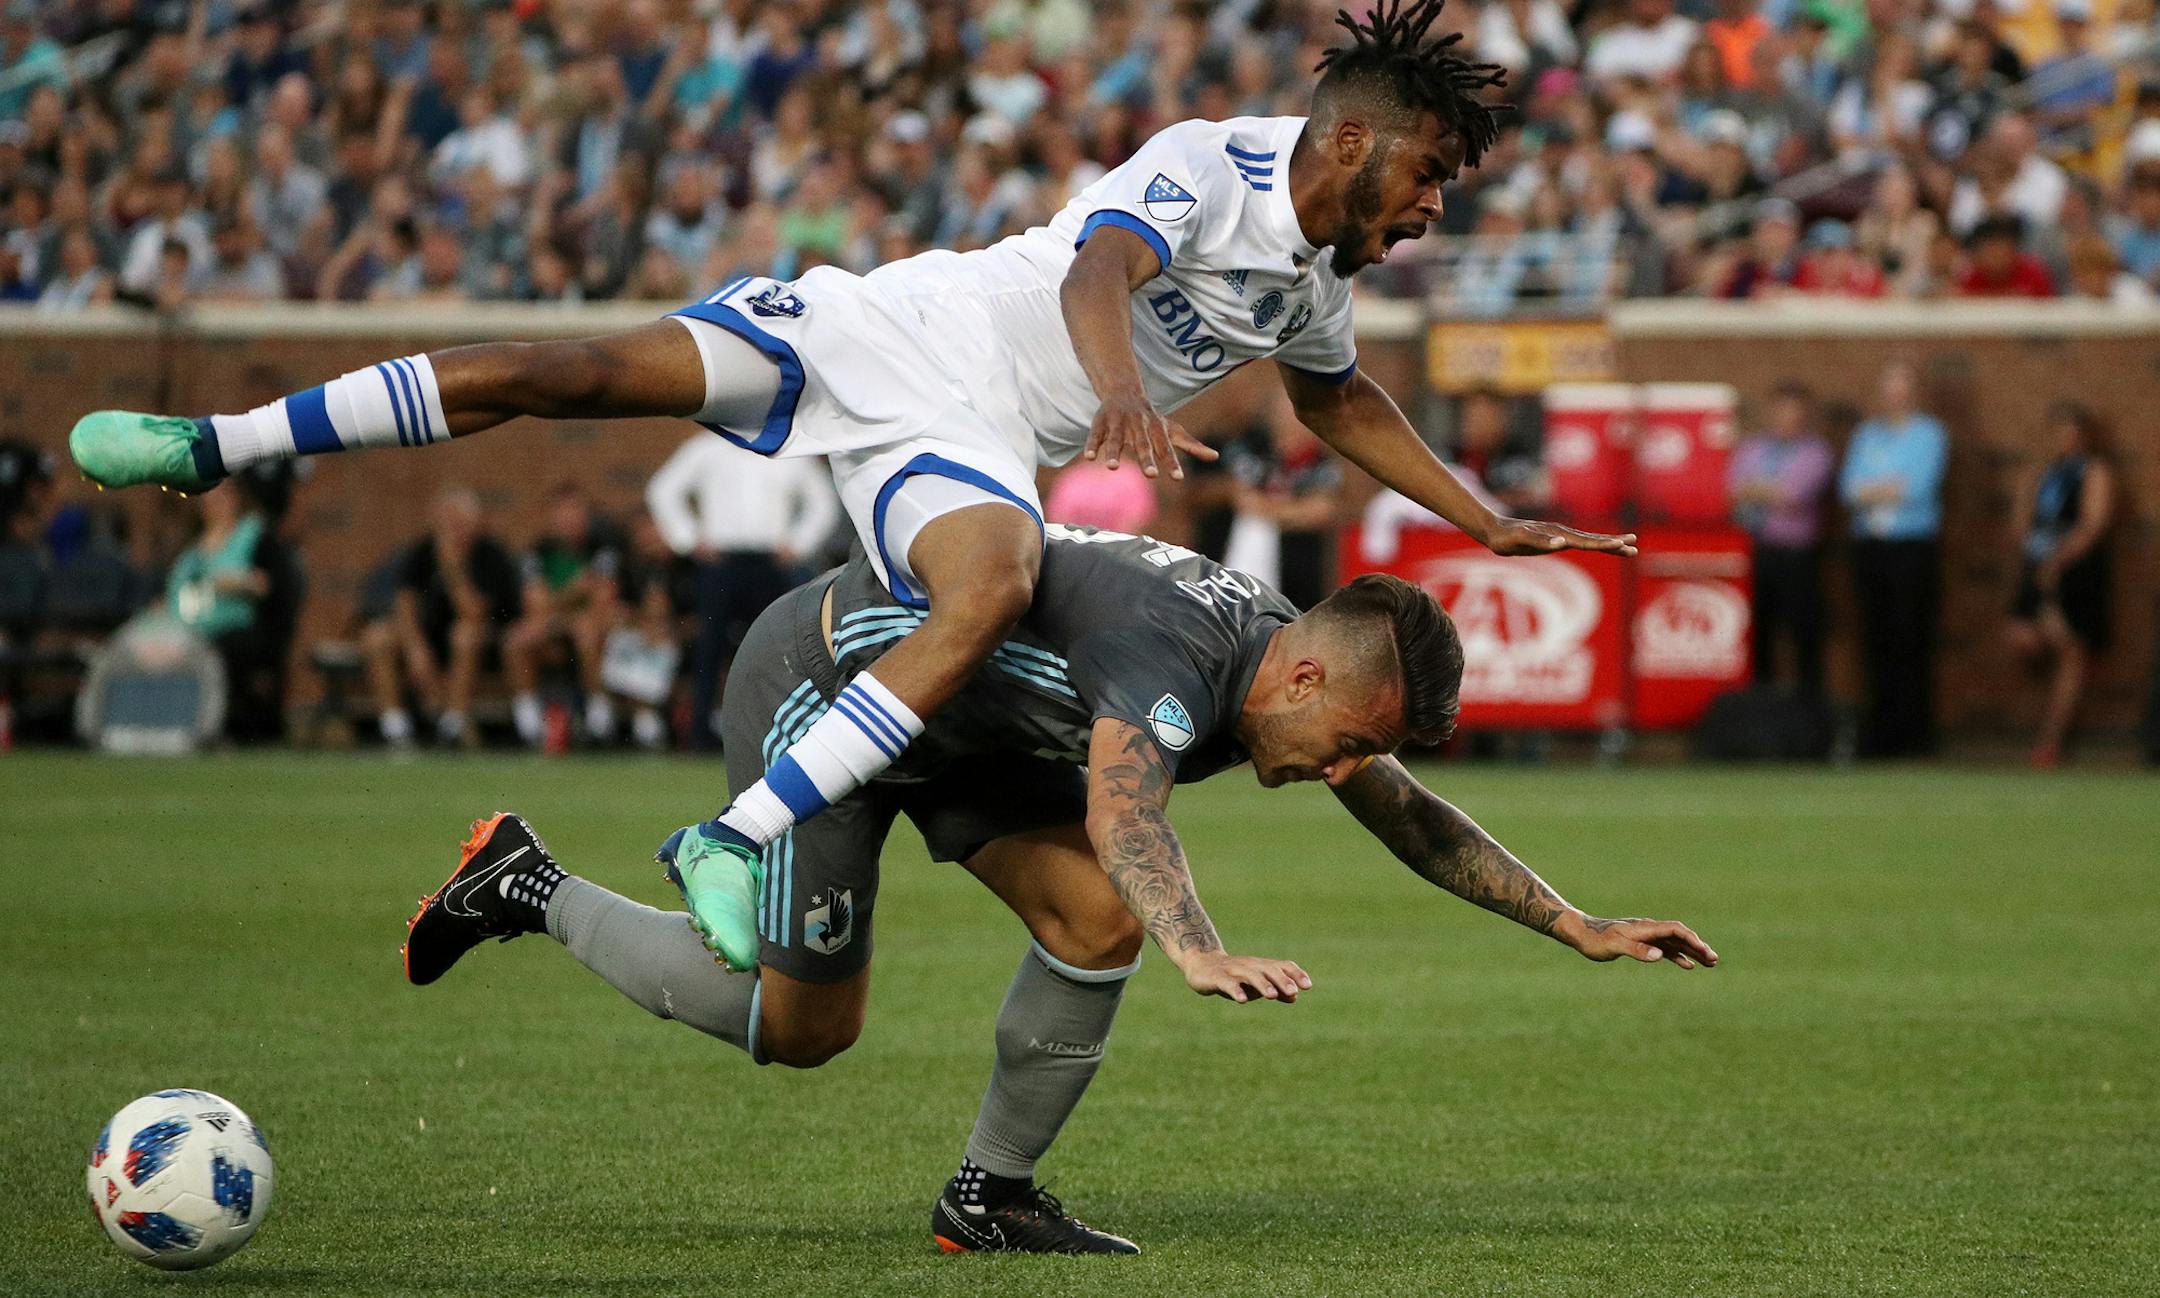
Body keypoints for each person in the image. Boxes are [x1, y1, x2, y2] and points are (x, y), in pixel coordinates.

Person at [74, 0, 1632, 974]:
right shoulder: (1216, 161)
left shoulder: (1311, 280)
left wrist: (1479, 513)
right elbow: (1107, 266)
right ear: (1356, 137)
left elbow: (1336, 392)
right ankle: (218, 441)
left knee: (988, 580)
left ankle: (734, 832)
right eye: (1429, 172)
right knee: (573, 371)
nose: (1433, 205)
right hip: (899, 325)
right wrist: (1111, 395)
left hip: (954, 423)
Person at [402, 525, 1717, 1254]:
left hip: (976, 734)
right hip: (837, 693)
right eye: (1355, 738)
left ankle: (989, 1196)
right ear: (1308, 680)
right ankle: (525, 880)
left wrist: (1576, 921)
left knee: (1093, 916)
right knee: (806, 1029)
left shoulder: (1285, 672)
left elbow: (1411, 818)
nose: (1349, 769)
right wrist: (1198, 947)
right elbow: (1121, 804)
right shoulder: (1181, 647)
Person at [645, 432, 839, 751]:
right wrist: (689, 539)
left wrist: (799, 544)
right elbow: (663, 491)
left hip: (770, 563)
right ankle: (699, 733)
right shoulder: (706, 448)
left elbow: (823, 500)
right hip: (721, 562)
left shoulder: (786, 449)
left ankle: (780, 729)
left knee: (775, 649)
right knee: (709, 648)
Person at [1839, 361, 1948, 758]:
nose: (1894, 395)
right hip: (1871, 546)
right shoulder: (1868, 435)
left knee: (1910, 638)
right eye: (1888, 386)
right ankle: (1880, 735)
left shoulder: (1929, 434)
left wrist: (1877, 489)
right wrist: (1884, 489)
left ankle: (1915, 734)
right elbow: (1850, 489)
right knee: (1875, 640)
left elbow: (1917, 487)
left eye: (1902, 387)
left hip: (1911, 547)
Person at [362, 487, 521, 750]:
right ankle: (395, 728)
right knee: (377, 637)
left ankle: (452, 725)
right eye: (446, 522)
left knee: (464, 634)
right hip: (430, 637)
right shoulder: (423, 551)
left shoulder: (489, 554)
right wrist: (415, 648)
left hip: (484, 644)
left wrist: (453, 570)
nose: (451, 530)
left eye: (458, 523)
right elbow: (405, 603)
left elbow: (474, 612)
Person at [2004, 404, 2115, 769]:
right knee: (2023, 636)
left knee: (2070, 649)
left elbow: (2092, 524)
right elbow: (2021, 523)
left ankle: (2051, 739)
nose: (2058, 437)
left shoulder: (2093, 471)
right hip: (2037, 565)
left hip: (2075, 570)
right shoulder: (2044, 473)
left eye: (2066, 429)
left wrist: (2058, 561)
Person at [503, 484, 630, 747]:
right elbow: (535, 607)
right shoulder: (537, 552)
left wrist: (558, 606)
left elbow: (603, 603)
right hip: (553, 628)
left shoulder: (603, 550)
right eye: (561, 513)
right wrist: (576, 590)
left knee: (587, 631)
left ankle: (599, 722)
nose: (568, 520)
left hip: (591, 630)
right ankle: (529, 725)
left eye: (575, 512)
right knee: (517, 640)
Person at [1728, 382, 1833, 697]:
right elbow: (1734, 490)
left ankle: (1809, 706)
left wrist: (1760, 489)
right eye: (1782, 410)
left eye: (1795, 411)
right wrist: (1769, 490)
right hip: (1756, 550)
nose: (1788, 418)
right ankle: (1762, 705)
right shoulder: (1753, 449)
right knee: (1759, 631)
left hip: (1797, 555)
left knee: (1803, 632)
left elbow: (1794, 495)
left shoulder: (1816, 452)